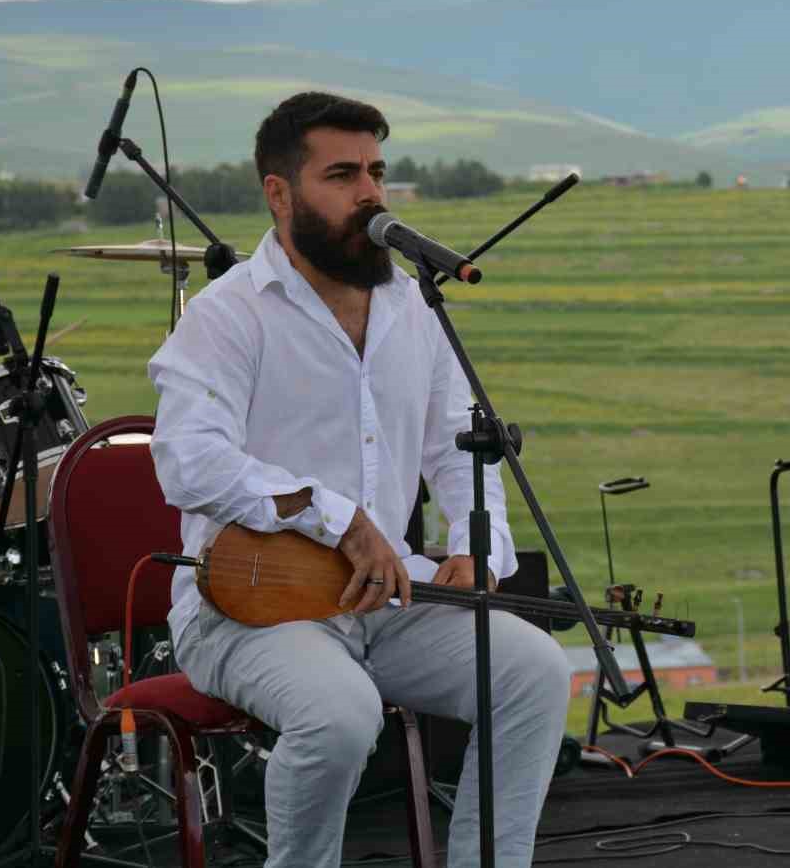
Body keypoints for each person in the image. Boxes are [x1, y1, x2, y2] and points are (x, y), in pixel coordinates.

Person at [149, 92, 569, 868]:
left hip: (389, 598)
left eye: (376, 171)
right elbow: (189, 459)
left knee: (536, 671)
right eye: (342, 174)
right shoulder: (226, 316)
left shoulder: (413, 308)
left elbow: (460, 449)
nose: (370, 192)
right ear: (280, 193)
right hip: (249, 607)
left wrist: (478, 543)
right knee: (341, 716)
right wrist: (336, 518)